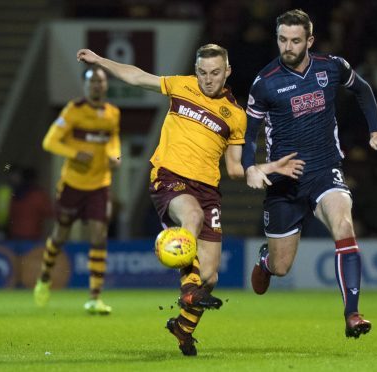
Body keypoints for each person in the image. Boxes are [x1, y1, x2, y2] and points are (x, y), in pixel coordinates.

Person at [77, 44, 303, 356]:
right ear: (195, 71)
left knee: (209, 276)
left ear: (227, 72)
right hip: (169, 177)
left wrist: (266, 167)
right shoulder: (180, 86)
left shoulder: (236, 116)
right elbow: (137, 77)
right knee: (192, 217)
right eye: (201, 72)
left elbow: (236, 168)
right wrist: (100, 60)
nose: (207, 80)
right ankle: (187, 292)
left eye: (214, 73)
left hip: (208, 190)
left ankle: (182, 327)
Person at [242, 9, 377, 340]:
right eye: (282, 39)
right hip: (285, 181)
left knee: (344, 225)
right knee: (282, 268)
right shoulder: (264, 83)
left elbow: (363, 90)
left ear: (309, 40)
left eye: (295, 40)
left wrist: (375, 132)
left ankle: (352, 313)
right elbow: (247, 135)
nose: (288, 47)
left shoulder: (331, 66)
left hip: (325, 170)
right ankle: (267, 262)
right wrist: (251, 167)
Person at [33, 66, 121, 315]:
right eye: (93, 81)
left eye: (101, 81)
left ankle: (95, 297)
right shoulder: (73, 111)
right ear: (85, 85)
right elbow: (49, 141)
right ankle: (44, 276)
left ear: (106, 85)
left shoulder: (113, 113)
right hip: (72, 184)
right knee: (60, 236)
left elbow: (113, 139)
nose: (97, 85)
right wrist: (74, 153)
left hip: (100, 184)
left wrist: (116, 155)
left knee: (98, 236)